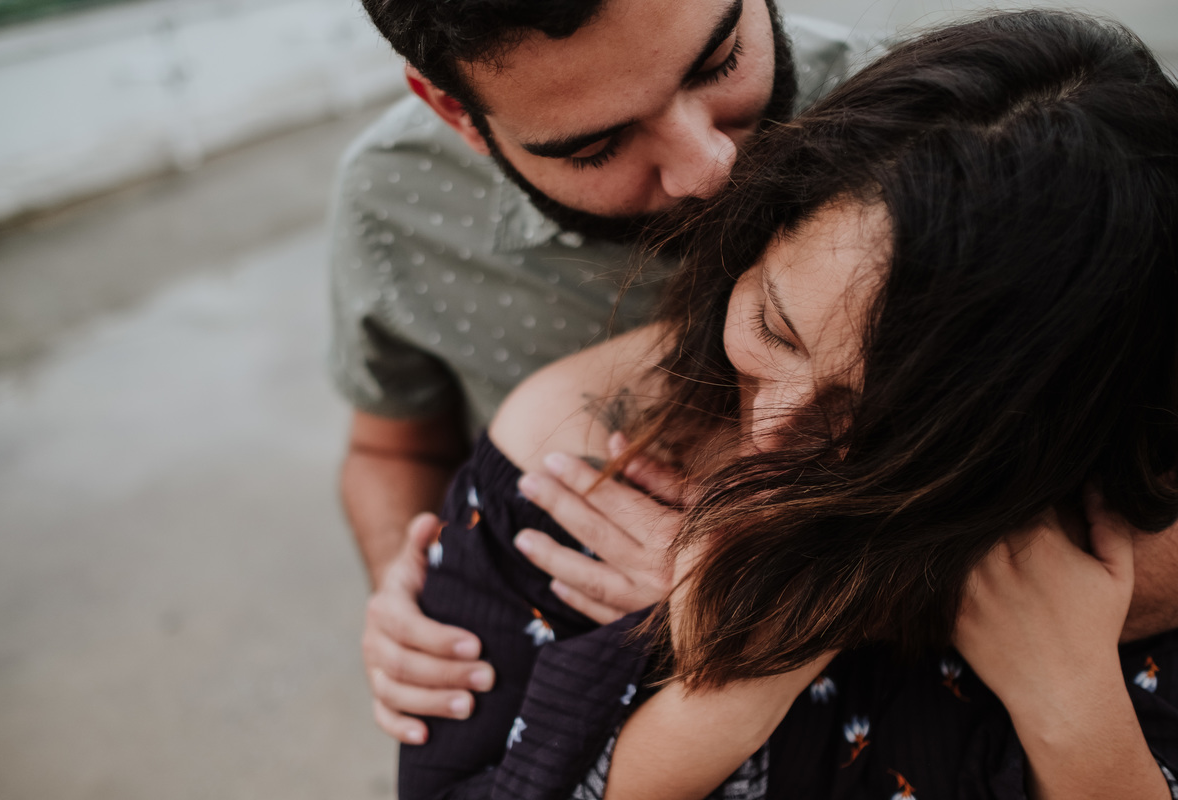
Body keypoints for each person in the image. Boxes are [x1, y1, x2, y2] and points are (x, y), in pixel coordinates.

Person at [398, 9, 1178, 798]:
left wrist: (1075, 713)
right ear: (759, 230)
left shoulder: (1126, 555)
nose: (771, 435)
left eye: (878, 417)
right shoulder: (574, 455)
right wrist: (739, 674)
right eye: (774, 325)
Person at [330, 0, 886, 743]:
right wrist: (416, 596)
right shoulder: (394, 202)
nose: (708, 168)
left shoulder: (917, 122)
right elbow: (392, 446)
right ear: (455, 113)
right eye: (595, 147)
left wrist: (774, 602)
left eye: (720, 62)